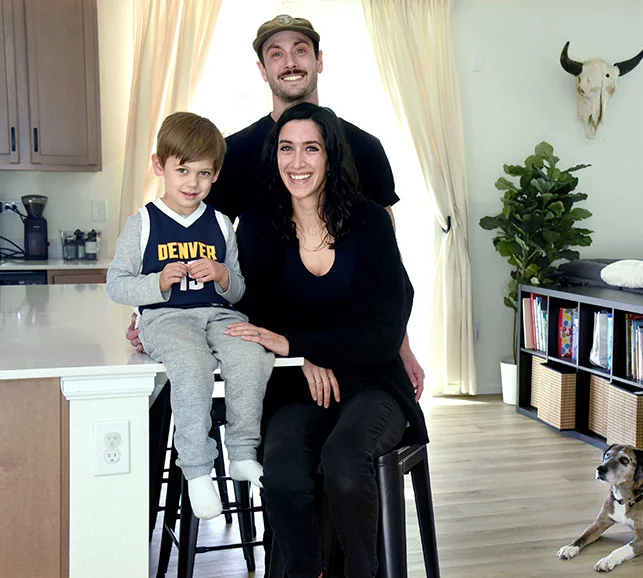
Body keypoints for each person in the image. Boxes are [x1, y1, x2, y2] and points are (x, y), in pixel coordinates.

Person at [225, 102, 428, 578]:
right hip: (296, 386)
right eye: (286, 149)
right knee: (282, 476)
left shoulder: (371, 221)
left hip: (373, 383)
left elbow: (383, 333)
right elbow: (254, 321)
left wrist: (301, 346)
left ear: (331, 156)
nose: (297, 163)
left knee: (343, 460)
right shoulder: (255, 225)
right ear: (274, 157)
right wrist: (299, 356)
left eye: (311, 149)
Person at [205, 13, 426, 399]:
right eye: (276, 54)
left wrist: (400, 345)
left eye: (301, 51)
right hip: (274, 343)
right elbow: (205, 245)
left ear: (319, 61)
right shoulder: (234, 154)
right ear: (262, 69)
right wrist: (158, 313)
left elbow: (387, 264)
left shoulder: (366, 149)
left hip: (352, 344)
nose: (290, 62)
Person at [107, 112, 274, 520]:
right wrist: (157, 283)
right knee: (192, 364)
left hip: (216, 315)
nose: (192, 183)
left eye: (203, 173)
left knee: (253, 354)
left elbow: (238, 289)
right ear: (159, 165)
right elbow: (117, 284)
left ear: (215, 176)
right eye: (182, 170)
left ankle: (241, 452)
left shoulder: (220, 224)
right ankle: (197, 471)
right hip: (165, 318)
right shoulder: (142, 223)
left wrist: (221, 275)